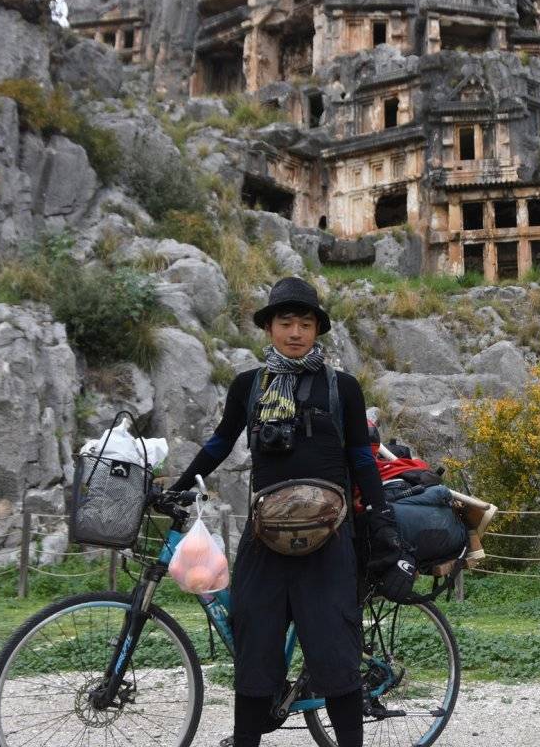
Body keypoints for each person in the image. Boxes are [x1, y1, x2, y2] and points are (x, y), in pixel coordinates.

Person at [171, 276, 411, 747]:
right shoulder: (249, 387)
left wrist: (383, 522)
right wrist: (179, 486)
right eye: (286, 322)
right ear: (270, 328)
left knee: (336, 656)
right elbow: (221, 442)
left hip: (330, 539)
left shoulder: (342, 387)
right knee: (255, 650)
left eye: (305, 323)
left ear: (317, 330)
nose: (296, 332)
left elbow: (362, 458)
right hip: (266, 540)